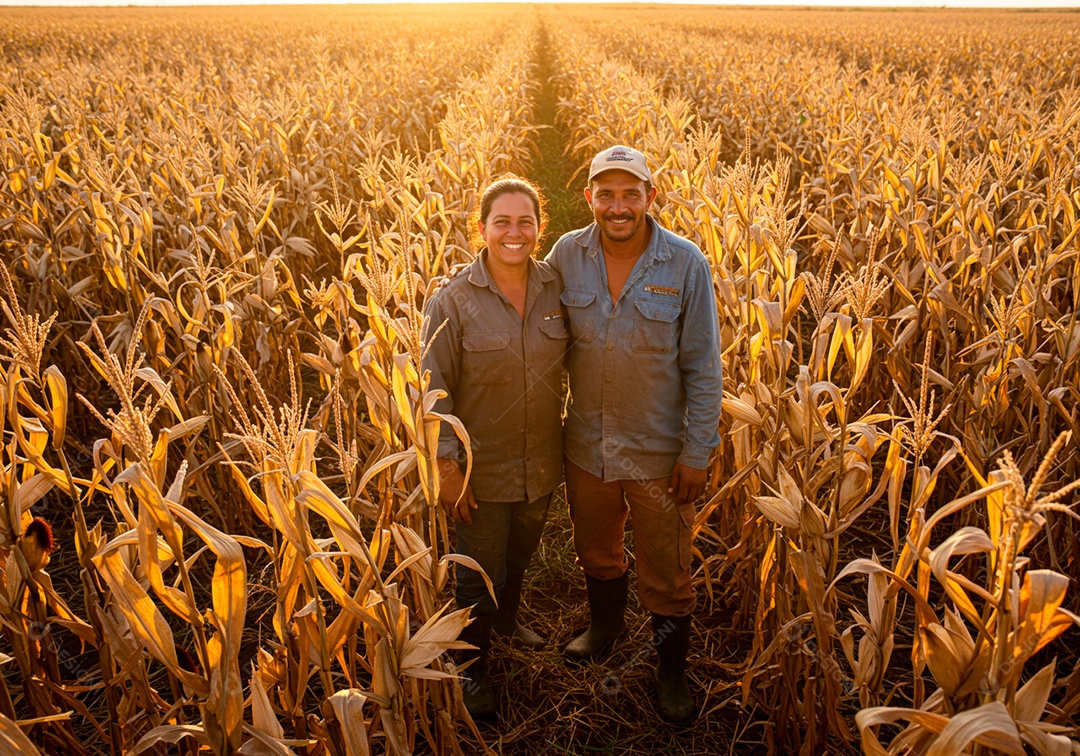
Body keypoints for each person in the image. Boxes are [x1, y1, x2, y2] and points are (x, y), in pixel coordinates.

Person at [545, 145, 722, 725]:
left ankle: (670, 670)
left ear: (651, 195)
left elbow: (703, 367)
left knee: (667, 571)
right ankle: (606, 627)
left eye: (630, 194)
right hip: (587, 445)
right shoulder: (566, 255)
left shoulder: (686, 263)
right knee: (596, 550)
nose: (618, 207)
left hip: (658, 452)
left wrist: (697, 451)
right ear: (590, 198)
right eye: (606, 194)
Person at [421, 177, 566, 720]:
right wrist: (446, 465)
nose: (513, 232)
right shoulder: (452, 300)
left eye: (525, 221)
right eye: (501, 222)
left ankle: (506, 622)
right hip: (479, 470)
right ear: (481, 228)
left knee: (518, 554)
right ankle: (472, 665)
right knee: (478, 571)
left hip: (541, 462)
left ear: (539, 228)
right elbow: (433, 389)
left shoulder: (557, 288)